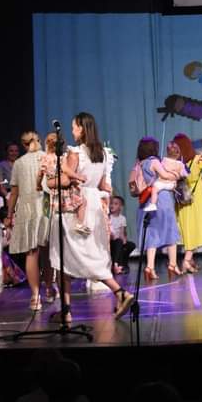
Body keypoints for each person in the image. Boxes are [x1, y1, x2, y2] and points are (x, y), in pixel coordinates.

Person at [46, 113, 135, 323]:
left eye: (74, 127)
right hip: (94, 204)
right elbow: (103, 184)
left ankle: (116, 293)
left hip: (75, 204)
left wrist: (50, 178)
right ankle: (69, 309)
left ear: (82, 129)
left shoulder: (75, 153)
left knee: (65, 257)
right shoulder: (102, 153)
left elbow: (66, 180)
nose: (72, 131)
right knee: (89, 253)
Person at [7, 131, 53, 312]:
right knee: (46, 251)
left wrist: (9, 214)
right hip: (46, 206)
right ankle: (49, 289)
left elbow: (14, 193)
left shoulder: (19, 163)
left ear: (23, 145)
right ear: (39, 141)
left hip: (27, 209)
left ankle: (35, 296)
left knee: (31, 252)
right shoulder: (47, 157)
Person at [132, 136, 184, 281]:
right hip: (162, 200)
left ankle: (150, 267)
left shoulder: (139, 164)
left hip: (146, 200)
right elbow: (165, 175)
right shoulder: (154, 162)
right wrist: (176, 174)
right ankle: (172, 264)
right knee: (171, 231)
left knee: (152, 234)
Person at [172, 134, 202, 274]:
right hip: (195, 200)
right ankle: (187, 261)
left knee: (187, 230)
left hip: (182, 201)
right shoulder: (197, 159)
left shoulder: (176, 164)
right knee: (195, 230)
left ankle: (190, 259)